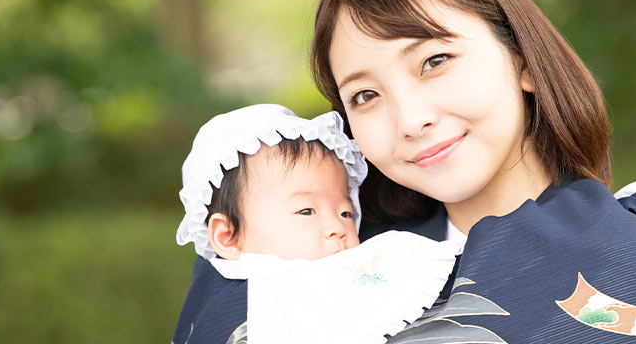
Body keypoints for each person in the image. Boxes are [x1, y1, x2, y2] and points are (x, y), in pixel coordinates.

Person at [309, 0, 636, 342]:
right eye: (365, 96)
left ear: (522, 60)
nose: (410, 121)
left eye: (435, 61)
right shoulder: (320, 280)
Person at [172, 104, 461, 344]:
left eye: (346, 213)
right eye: (307, 211)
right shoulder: (235, 299)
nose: (337, 227)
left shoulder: (356, 268)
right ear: (228, 237)